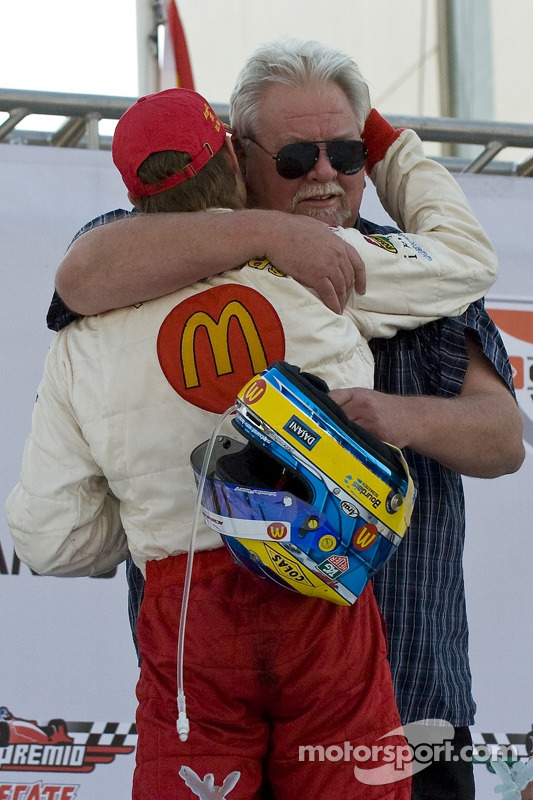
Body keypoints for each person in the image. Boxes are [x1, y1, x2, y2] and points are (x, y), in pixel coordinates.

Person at [44, 39, 524, 800]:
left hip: (409, 700)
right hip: (215, 710)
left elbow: (503, 438)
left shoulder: (409, 264)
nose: (327, 173)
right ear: (237, 153)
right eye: (299, 155)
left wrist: (384, 417)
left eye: (349, 151)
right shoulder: (156, 243)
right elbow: (81, 274)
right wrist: (267, 237)